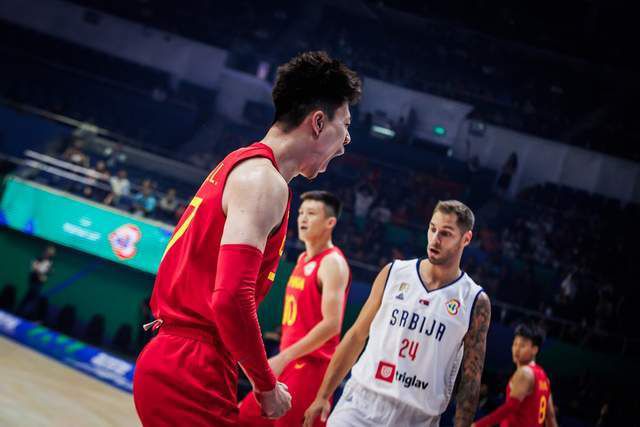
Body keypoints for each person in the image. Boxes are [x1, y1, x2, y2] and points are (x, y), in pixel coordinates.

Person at [133, 51, 361, 426]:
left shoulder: (244, 164)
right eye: (345, 125)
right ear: (318, 123)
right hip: (190, 364)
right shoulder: (263, 181)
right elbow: (230, 299)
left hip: (185, 357)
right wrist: (266, 383)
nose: (347, 139)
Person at [304, 200, 491, 427]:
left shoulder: (474, 300)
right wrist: (323, 396)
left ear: (466, 239)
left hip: (417, 418)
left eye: (446, 233)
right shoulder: (395, 273)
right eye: (432, 229)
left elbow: (471, 378)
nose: (435, 239)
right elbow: (355, 336)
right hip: (362, 403)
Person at [238, 191, 351, 426]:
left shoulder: (332, 263)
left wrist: (284, 356)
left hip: (311, 368)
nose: (303, 219)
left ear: (330, 223)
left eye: (311, 214)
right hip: (290, 361)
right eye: (301, 213)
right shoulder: (302, 259)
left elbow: (332, 325)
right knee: (242, 418)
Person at [473, 324, 558, 427]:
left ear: (534, 350)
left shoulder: (525, 373)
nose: (516, 349)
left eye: (522, 346)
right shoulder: (544, 378)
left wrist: (479, 425)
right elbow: (551, 416)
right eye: (515, 344)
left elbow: (510, 407)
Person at [18, 245, 56, 318]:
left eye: (52, 253)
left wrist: (48, 273)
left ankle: (27, 314)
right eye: (49, 252)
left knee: (34, 298)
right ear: (45, 251)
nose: (50, 254)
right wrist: (40, 275)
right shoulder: (38, 258)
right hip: (34, 280)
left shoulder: (50, 262)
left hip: (39, 283)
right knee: (30, 296)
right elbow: (34, 268)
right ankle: (20, 312)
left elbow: (50, 272)